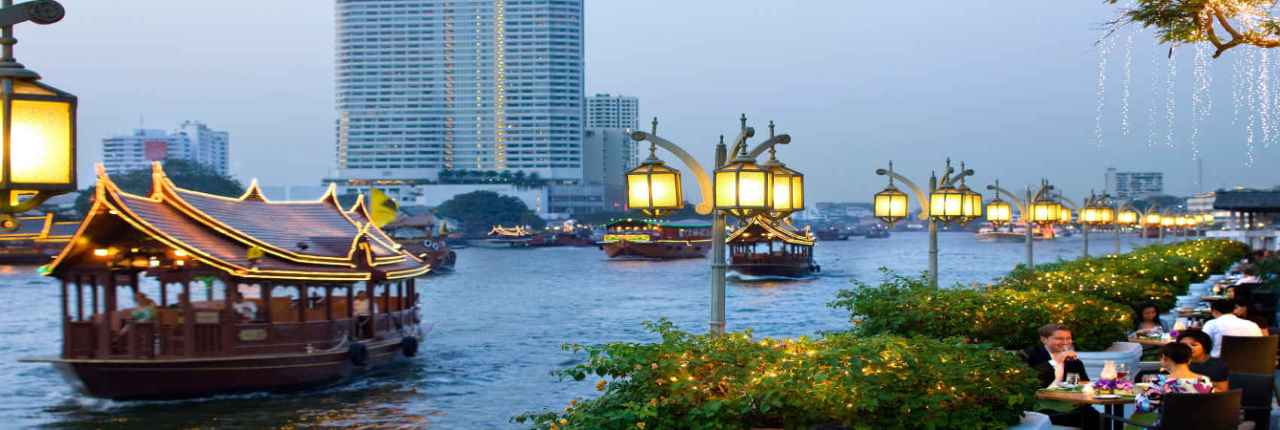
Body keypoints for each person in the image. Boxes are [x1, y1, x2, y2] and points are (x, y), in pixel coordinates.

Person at [1018, 324, 1098, 430]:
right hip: (1040, 407)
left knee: (1098, 417)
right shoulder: (1028, 355)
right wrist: (1056, 360)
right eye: (1059, 338)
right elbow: (1028, 379)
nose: (1065, 342)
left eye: (1068, 338)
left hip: (1068, 404)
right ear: (1044, 339)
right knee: (1085, 417)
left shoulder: (1073, 360)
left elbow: (1079, 384)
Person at [1129, 343, 1215, 427]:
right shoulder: (1205, 380)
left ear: (1164, 358)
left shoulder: (1160, 380)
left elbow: (1144, 408)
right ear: (1189, 360)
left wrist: (1139, 392)